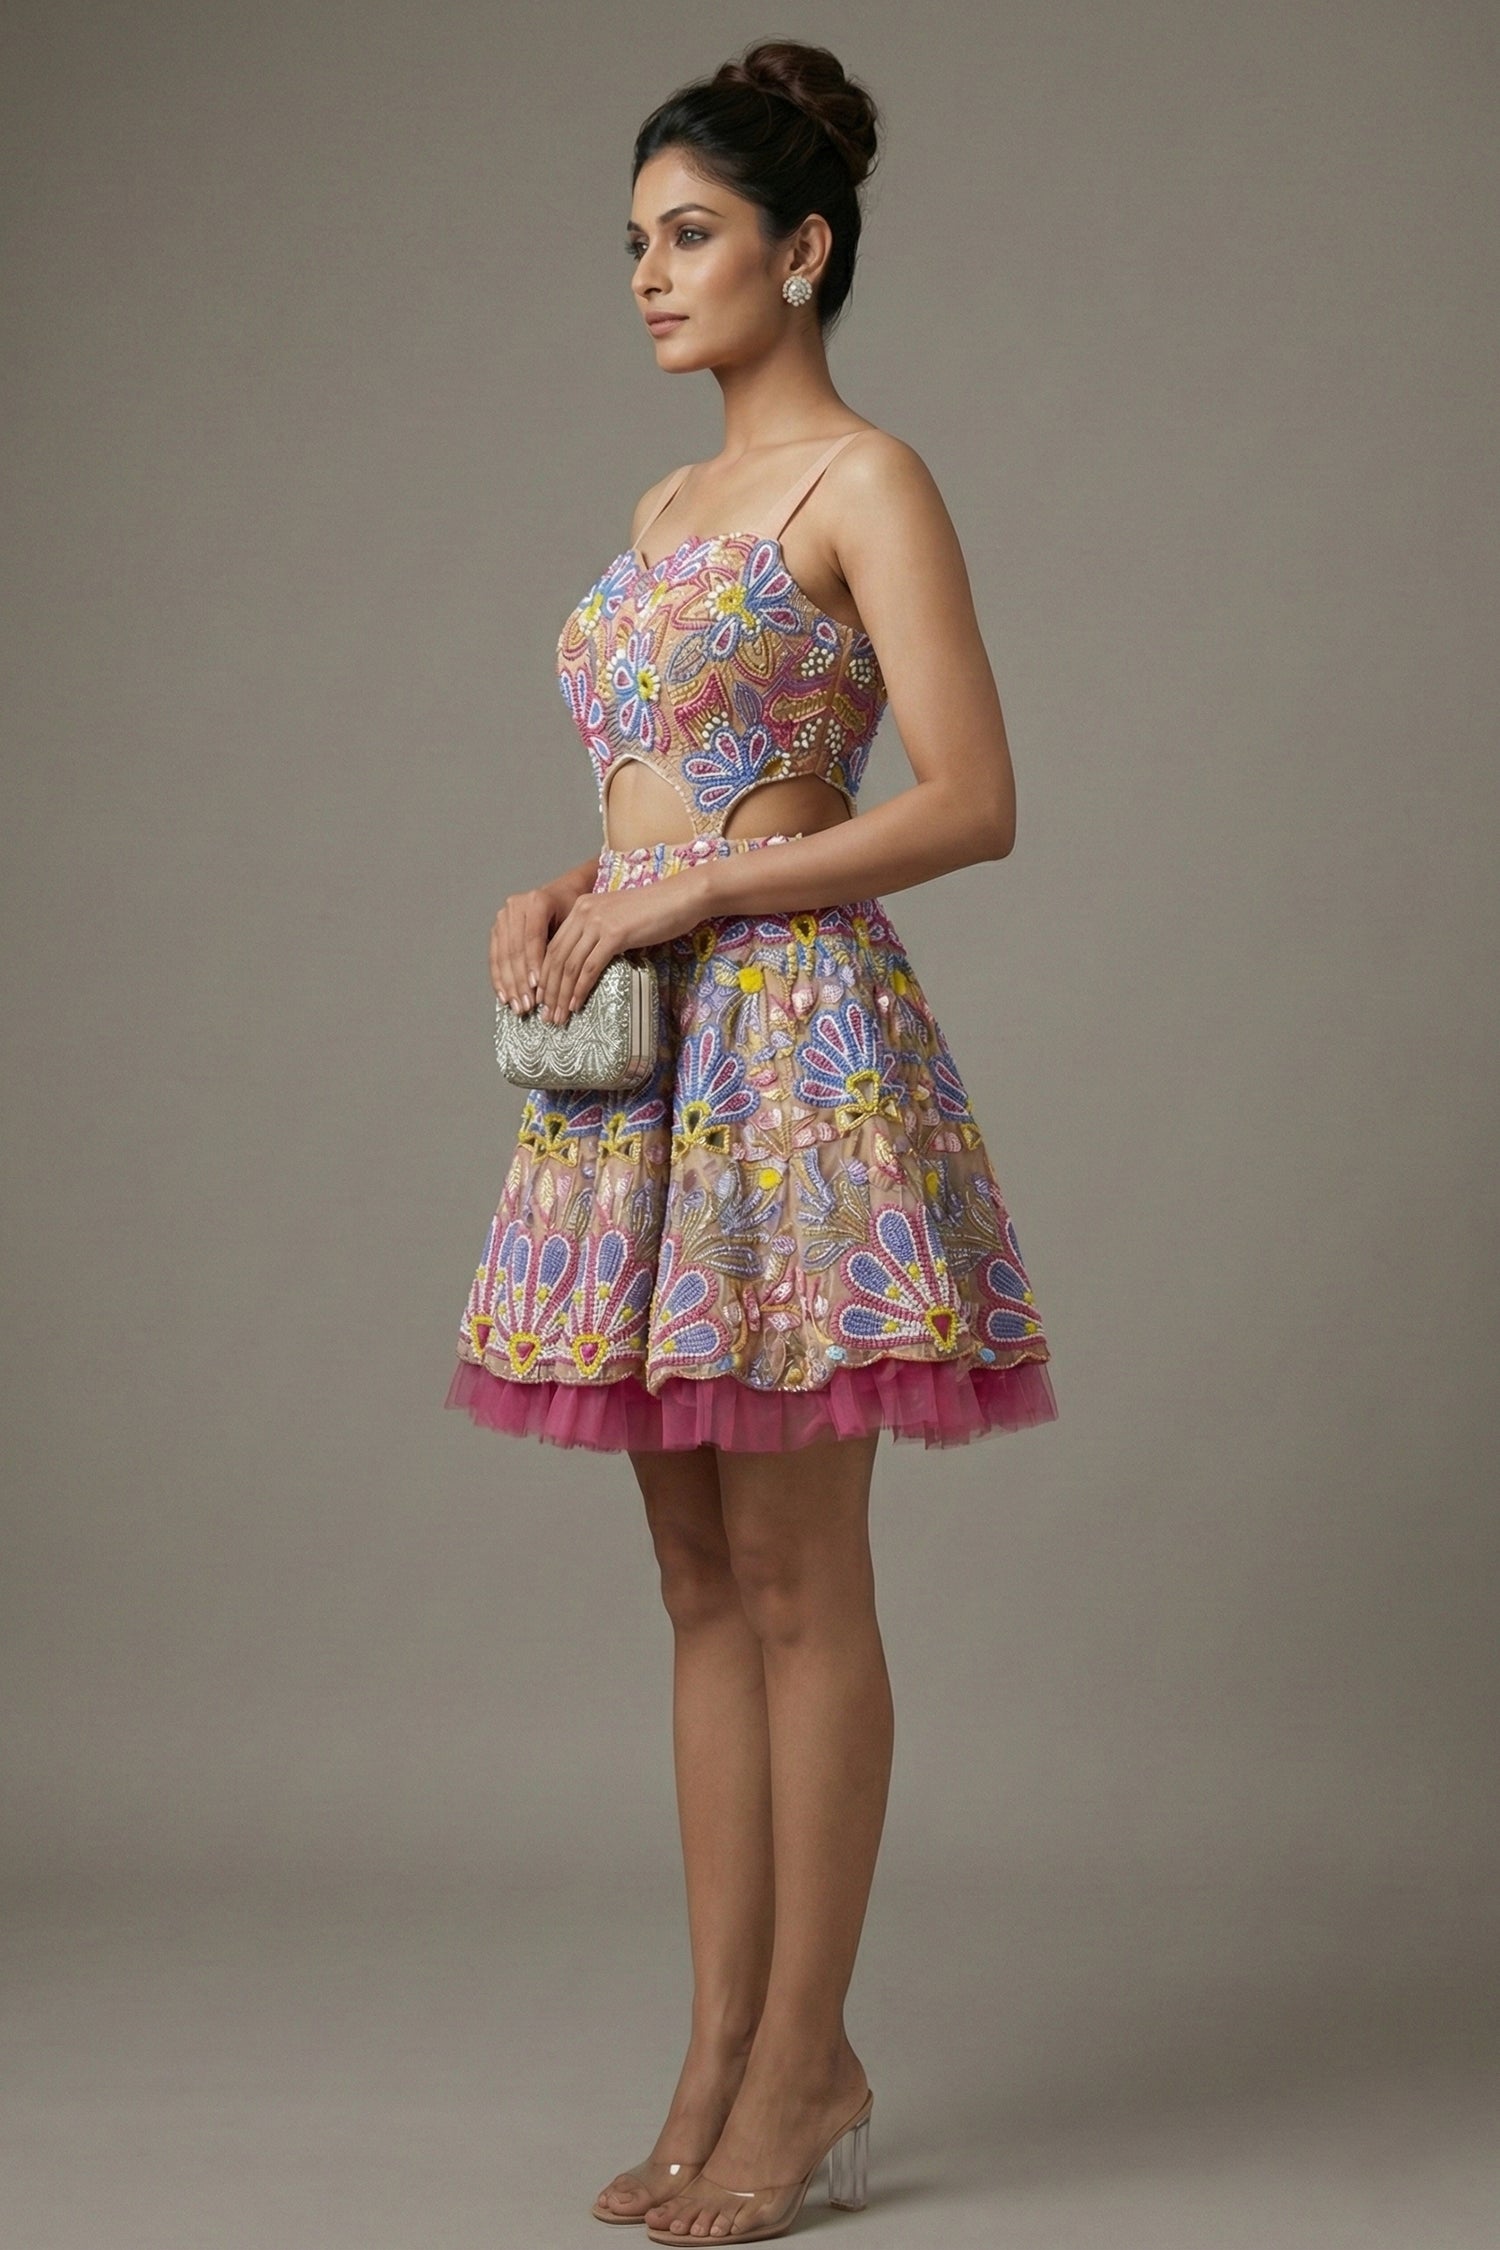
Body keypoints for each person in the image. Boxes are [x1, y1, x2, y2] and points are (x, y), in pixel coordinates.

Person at [445, 38, 1059, 2244]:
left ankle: (807, 2064)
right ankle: (715, 2053)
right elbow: (651, 802)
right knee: (697, 1582)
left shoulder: (866, 482)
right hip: (642, 1064)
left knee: (801, 1579)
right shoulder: (658, 515)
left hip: (793, 1053)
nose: (647, 271)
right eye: (632, 238)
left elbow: (972, 801)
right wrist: (574, 888)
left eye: (690, 232)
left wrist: (702, 883)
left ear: (804, 250)